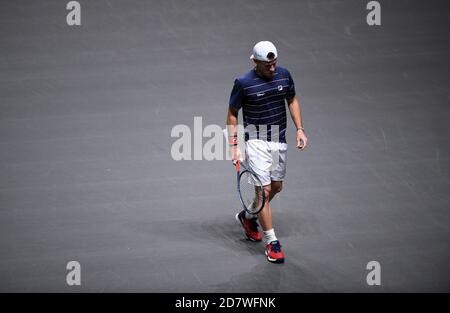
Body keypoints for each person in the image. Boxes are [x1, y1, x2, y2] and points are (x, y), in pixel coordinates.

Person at [226, 41, 308, 263]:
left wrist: (299, 129)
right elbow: (233, 114)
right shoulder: (243, 83)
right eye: (266, 65)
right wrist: (234, 146)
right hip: (255, 141)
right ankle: (272, 242)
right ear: (255, 62)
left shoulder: (284, 75)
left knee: (277, 187)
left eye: (274, 64)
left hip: (278, 140)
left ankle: (248, 216)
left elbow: (292, 99)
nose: (272, 69)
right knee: (264, 190)